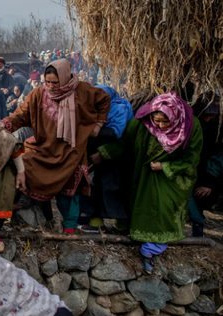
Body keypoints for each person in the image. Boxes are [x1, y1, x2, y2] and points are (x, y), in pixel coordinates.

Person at [91, 92, 202, 273]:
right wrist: (102, 154)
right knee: (142, 205)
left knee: (163, 208)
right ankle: (140, 238)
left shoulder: (190, 126)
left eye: (165, 122)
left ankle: (151, 248)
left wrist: (165, 166)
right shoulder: (142, 123)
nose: (160, 126)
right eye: (157, 121)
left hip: (172, 177)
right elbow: (124, 143)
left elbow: (192, 159)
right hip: (143, 175)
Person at [0, 59, 110, 233]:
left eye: (55, 82)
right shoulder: (37, 94)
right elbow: (21, 115)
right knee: (22, 165)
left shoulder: (82, 90)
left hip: (71, 150)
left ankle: (70, 227)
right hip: (43, 147)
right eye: (47, 82)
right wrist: (4, 124)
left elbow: (104, 99)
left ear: (65, 78)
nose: (50, 86)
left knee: (68, 191)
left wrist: (99, 124)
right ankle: (24, 208)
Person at [79, 85, 134, 233]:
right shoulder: (93, 108)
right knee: (93, 186)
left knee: (115, 190)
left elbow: (115, 133)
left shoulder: (118, 108)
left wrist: (92, 131)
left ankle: (122, 224)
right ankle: (96, 222)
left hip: (116, 159)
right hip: (95, 156)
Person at [188, 93, 222, 237]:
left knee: (201, 196)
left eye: (212, 115)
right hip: (189, 164)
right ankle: (196, 220)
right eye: (206, 115)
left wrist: (210, 182)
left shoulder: (219, 125)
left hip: (209, 168)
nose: (208, 119)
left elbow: (220, 156)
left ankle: (198, 222)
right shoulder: (190, 120)